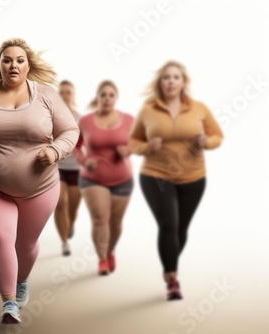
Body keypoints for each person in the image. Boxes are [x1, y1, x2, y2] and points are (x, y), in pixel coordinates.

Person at [0, 38, 79, 324]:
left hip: (40, 188)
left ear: (28, 65)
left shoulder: (46, 95)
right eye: (7, 60)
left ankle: (22, 279)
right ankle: (9, 302)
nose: (13, 65)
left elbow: (70, 130)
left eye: (19, 60)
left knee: (26, 244)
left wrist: (55, 150)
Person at [129, 60, 223, 300]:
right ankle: (172, 279)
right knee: (168, 224)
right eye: (166, 77)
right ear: (160, 82)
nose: (171, 81)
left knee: (181, 228)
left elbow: (217, 135)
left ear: (183, 82)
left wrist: (207, 141)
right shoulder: (148, 110)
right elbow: (132, 142)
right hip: (156, 176)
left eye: (175, 77)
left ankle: (169, 262)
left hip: (194, 177)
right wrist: (148, 145)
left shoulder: (199, 108)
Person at [73, 80, 134, 276]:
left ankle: (110, 252)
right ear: (97, 97)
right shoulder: (86, 121)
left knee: (115, 223)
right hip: (93, 178)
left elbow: (138, 142)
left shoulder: (129, 120)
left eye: (111, 95)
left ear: (116, 98)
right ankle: (101, 259)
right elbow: (75, 146)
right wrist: (84, 160)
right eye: (103, 95)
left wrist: (128, 150)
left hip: (123, 179)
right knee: (100, 218)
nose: (107, 98)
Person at [54, 80, 82, 256]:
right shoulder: (51, 117)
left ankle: (70, 224)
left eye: (68, 92)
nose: (65, 95)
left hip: (77, 169)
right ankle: (64, 241)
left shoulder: (81, 118)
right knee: (60, 203)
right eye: (62, 92)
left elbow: (87, 143)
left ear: (73, 95)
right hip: (57, 168)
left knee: (72, 205)